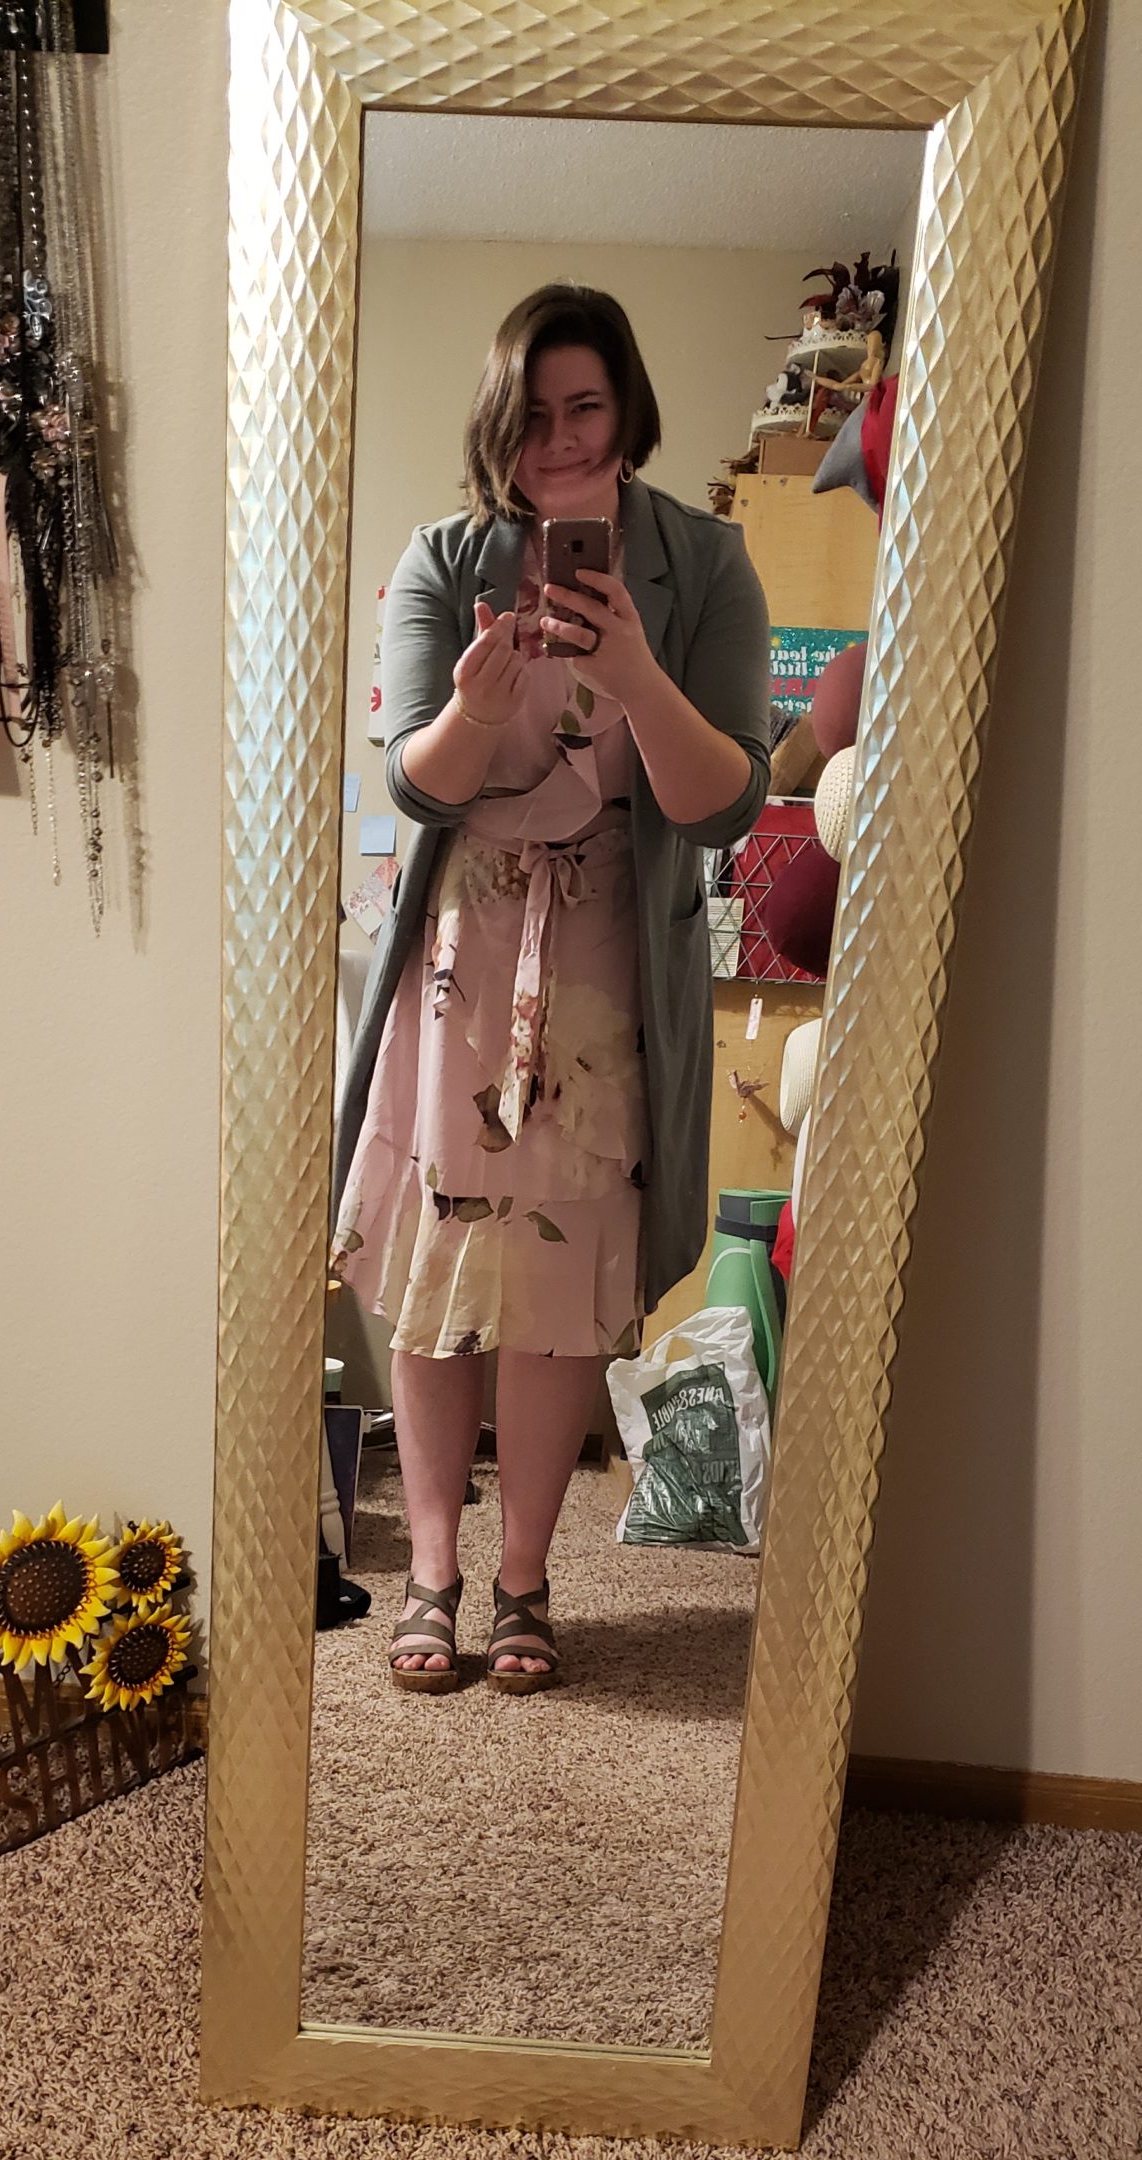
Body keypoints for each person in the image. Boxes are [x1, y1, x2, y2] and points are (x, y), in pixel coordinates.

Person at [331, 283, 770, 1695]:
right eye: (532, 414)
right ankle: (434, 1572)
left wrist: (636, 675)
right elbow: (417, 786)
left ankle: (523, 1578)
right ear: (496, 425)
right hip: (461, 958)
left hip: (606, 969)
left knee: (562, 1284)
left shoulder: (706, 563)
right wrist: (474, 702)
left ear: (628, 408)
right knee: (437, 1268)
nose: (561, 438)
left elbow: (723, 805)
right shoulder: (443, 556)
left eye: (586, 405)